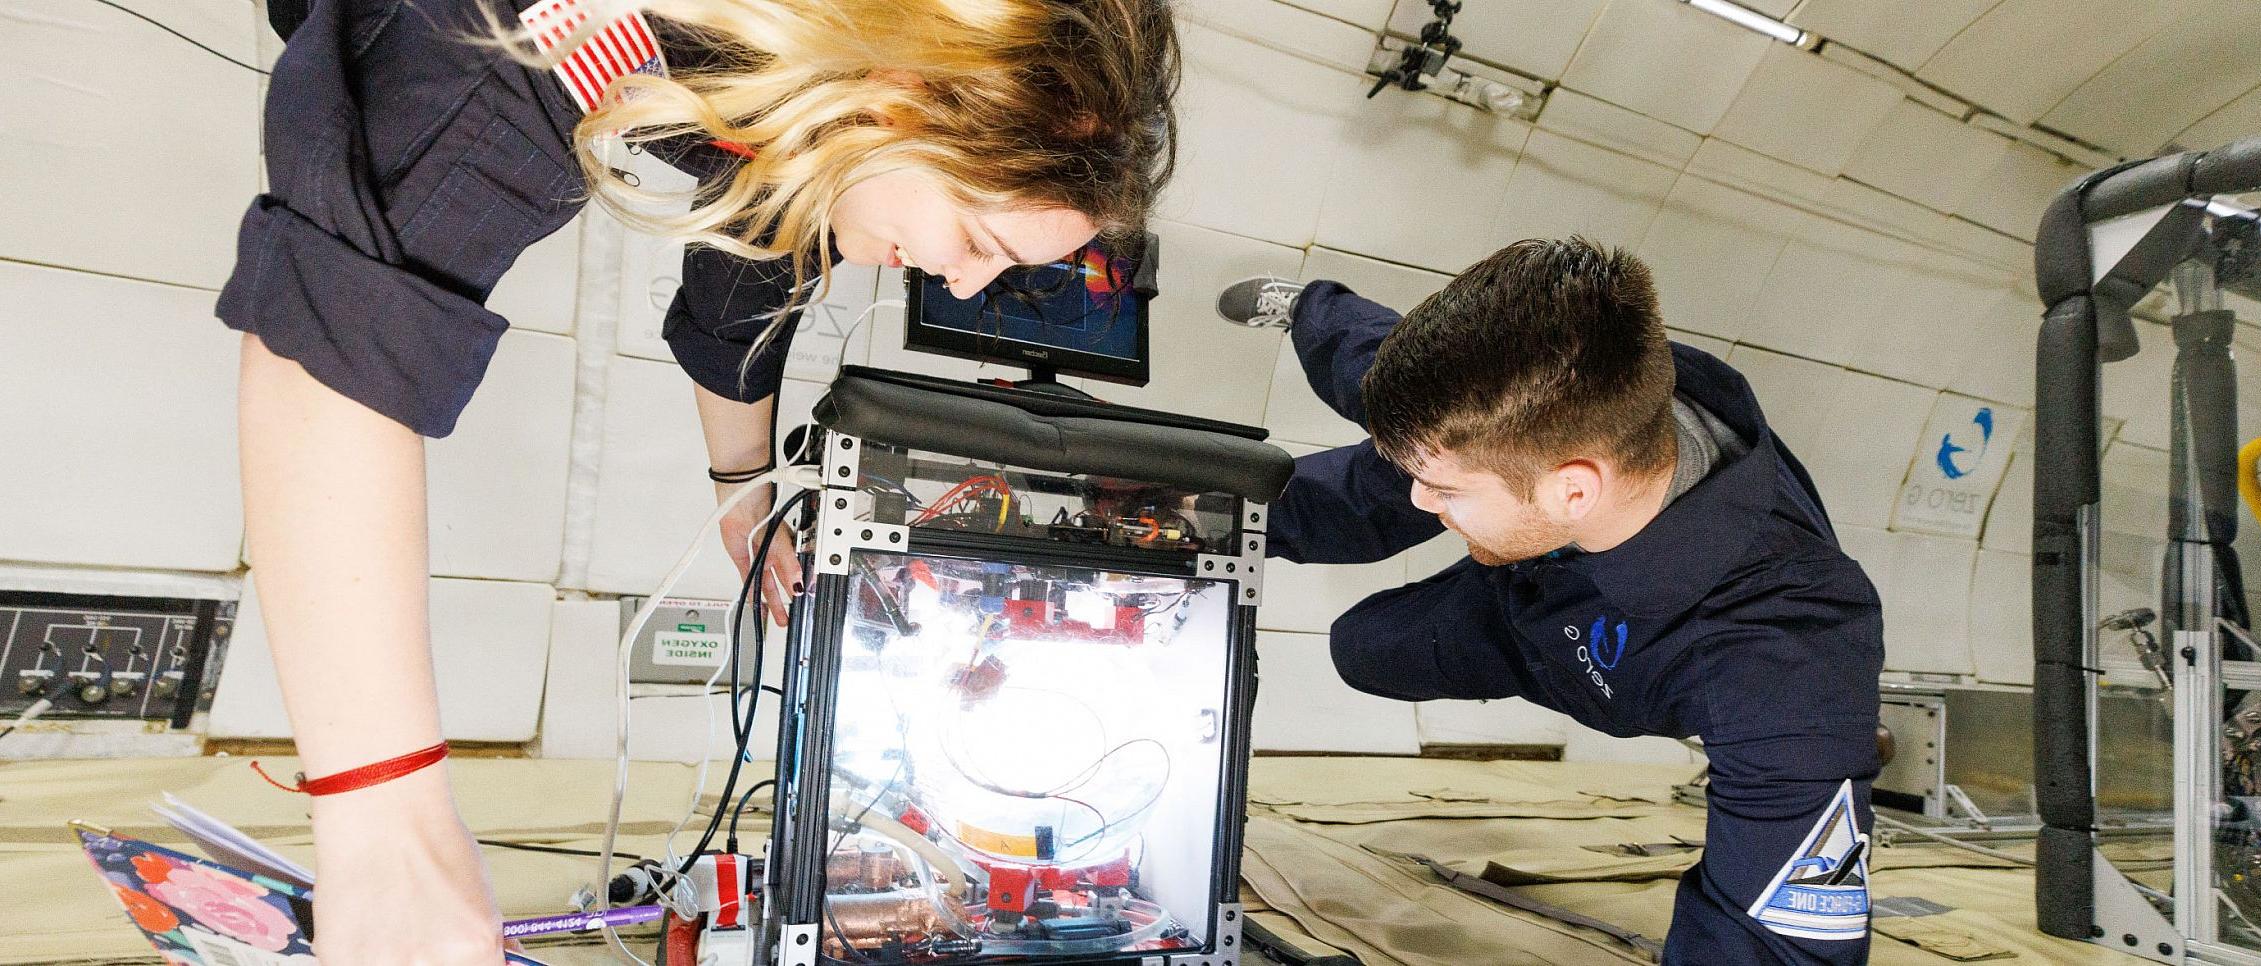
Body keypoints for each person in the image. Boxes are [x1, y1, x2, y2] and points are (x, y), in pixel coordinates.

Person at [221, 0, 1175, 960]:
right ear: (910, 91)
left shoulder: (820, 100)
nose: (961, 284)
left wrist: (745, 498)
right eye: (978, 240)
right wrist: (391, 842)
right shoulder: (557, 39)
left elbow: (754, 278)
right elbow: (336, 350)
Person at [1226, 238, 1885, 964]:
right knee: (1384, 448)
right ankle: (1305, 316)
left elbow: (1776, 944)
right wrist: (1200, 517)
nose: (1422, 500)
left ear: (1575, 489)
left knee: (1367, 637)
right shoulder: (1586, 388)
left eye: (1442, 491)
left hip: (1590, 658)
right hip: (1538, 542)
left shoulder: (1783, 660)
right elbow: (1385, 375)